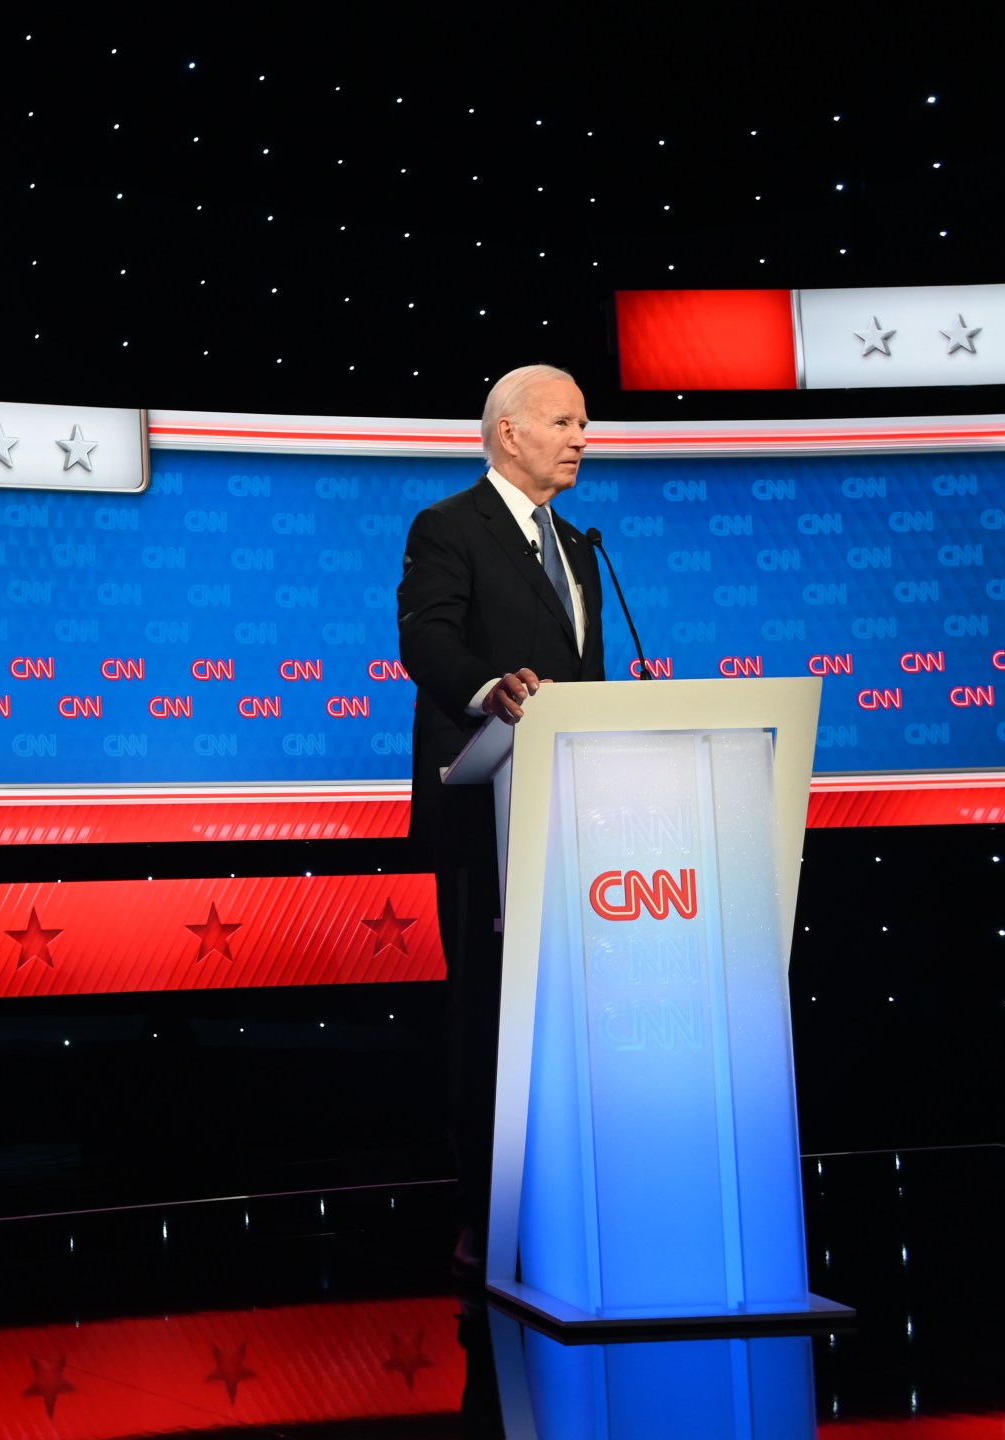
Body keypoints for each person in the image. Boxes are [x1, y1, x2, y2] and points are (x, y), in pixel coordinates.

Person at [395, 364, 606, 1274]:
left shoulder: (581, 545)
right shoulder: (448, 527)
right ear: (510, 432)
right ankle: (485, 1214)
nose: (582, 438)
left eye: (584, 424)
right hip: (486, 809)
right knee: (485, 1015)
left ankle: (575, 1201)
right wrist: (490, 691)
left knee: (570, 1018)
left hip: (575, 817)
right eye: (565, 422)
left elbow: (585, 678)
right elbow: (426, 641)